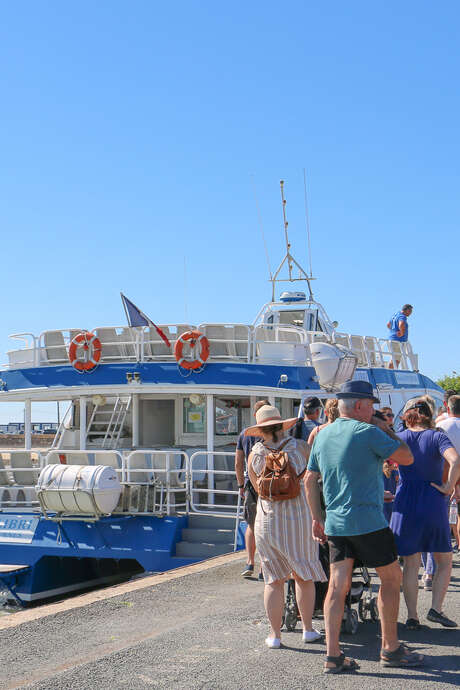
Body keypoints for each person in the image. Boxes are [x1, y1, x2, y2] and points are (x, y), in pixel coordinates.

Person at [305, 380, 423, 673]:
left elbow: (308, 480)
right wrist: (386, 429)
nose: (374, 410)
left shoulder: (322, 434)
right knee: (391, 578)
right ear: (359, 405)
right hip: (369, 522)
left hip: (336, 523)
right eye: (371, 405)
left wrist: (317, 518)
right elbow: (406, 457)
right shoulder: (369, 432)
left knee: (337, 585)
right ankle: (391, 648)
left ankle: (333, 656)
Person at [247, 405, 326, 649]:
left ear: (260, 431)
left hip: (268, 521)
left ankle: (275, 635)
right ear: (283, 426)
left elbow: (257, 488)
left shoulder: (255, 454)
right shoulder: (300, 447)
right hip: (299, 518)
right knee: (303, 576)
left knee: (273, 580)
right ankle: (308, 630)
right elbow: (316, 478)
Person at [390, 400, 460, 629]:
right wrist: (449, 486)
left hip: (405, 500)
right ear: (429, 415)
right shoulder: (437, 437)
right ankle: (436, 609)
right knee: (444, 559)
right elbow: (456, 460)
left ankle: (412, 617)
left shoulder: (400, 437)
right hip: (432, 499)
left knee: (410, 563)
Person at [235, 399, 269, 578]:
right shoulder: (272, 432)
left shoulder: (245, 433)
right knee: (267, 525)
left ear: (255, 415)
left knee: (251, 524)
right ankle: (265, 566)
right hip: (270, 484)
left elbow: (238, 462)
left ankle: (250, 562)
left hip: (250, 484)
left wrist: (241, 485)